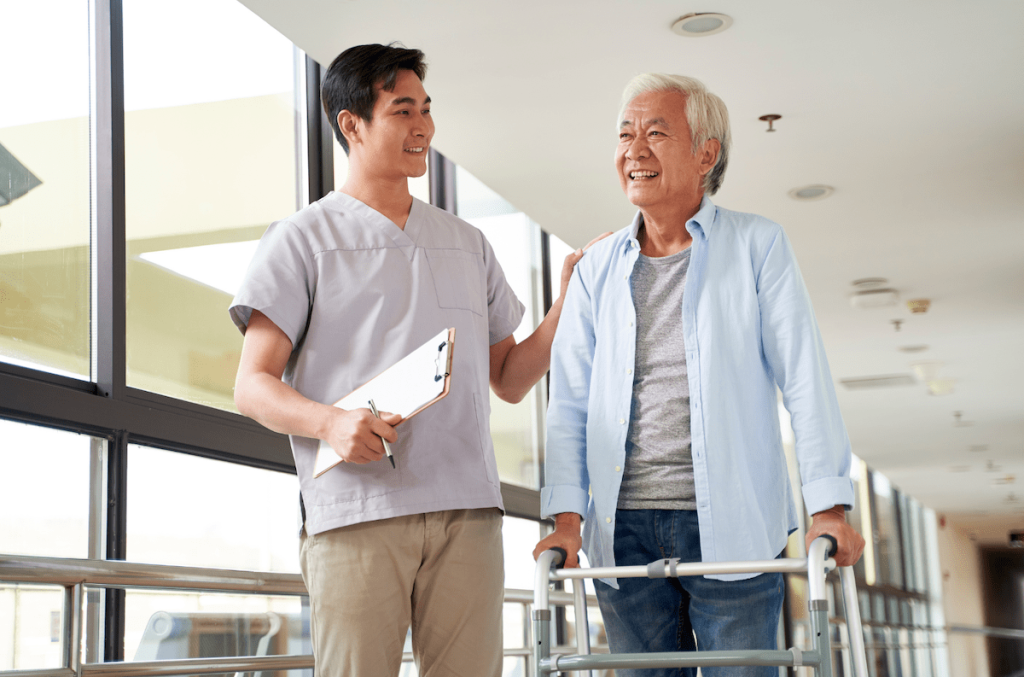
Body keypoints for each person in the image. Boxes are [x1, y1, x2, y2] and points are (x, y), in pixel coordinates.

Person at [231, 43, 606, 677]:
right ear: (352, 124)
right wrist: (329, 423)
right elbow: (252, 385)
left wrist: (566, 305)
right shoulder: (301, 240)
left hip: (468, 513)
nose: (423, 126)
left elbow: (510, 379)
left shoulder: (467, 243)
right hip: (357, 513)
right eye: (403, 110)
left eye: (426, 109)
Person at [533, 73, 866, 677]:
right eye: (625, 134)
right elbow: (570, 403)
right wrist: (564, 520)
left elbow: (804, 378)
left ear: (705, 154)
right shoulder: (595, 269)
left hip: (734, 524)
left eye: (656, 133)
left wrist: (830, 505)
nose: (634, 150)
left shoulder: (757, 245)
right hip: (623, 533)